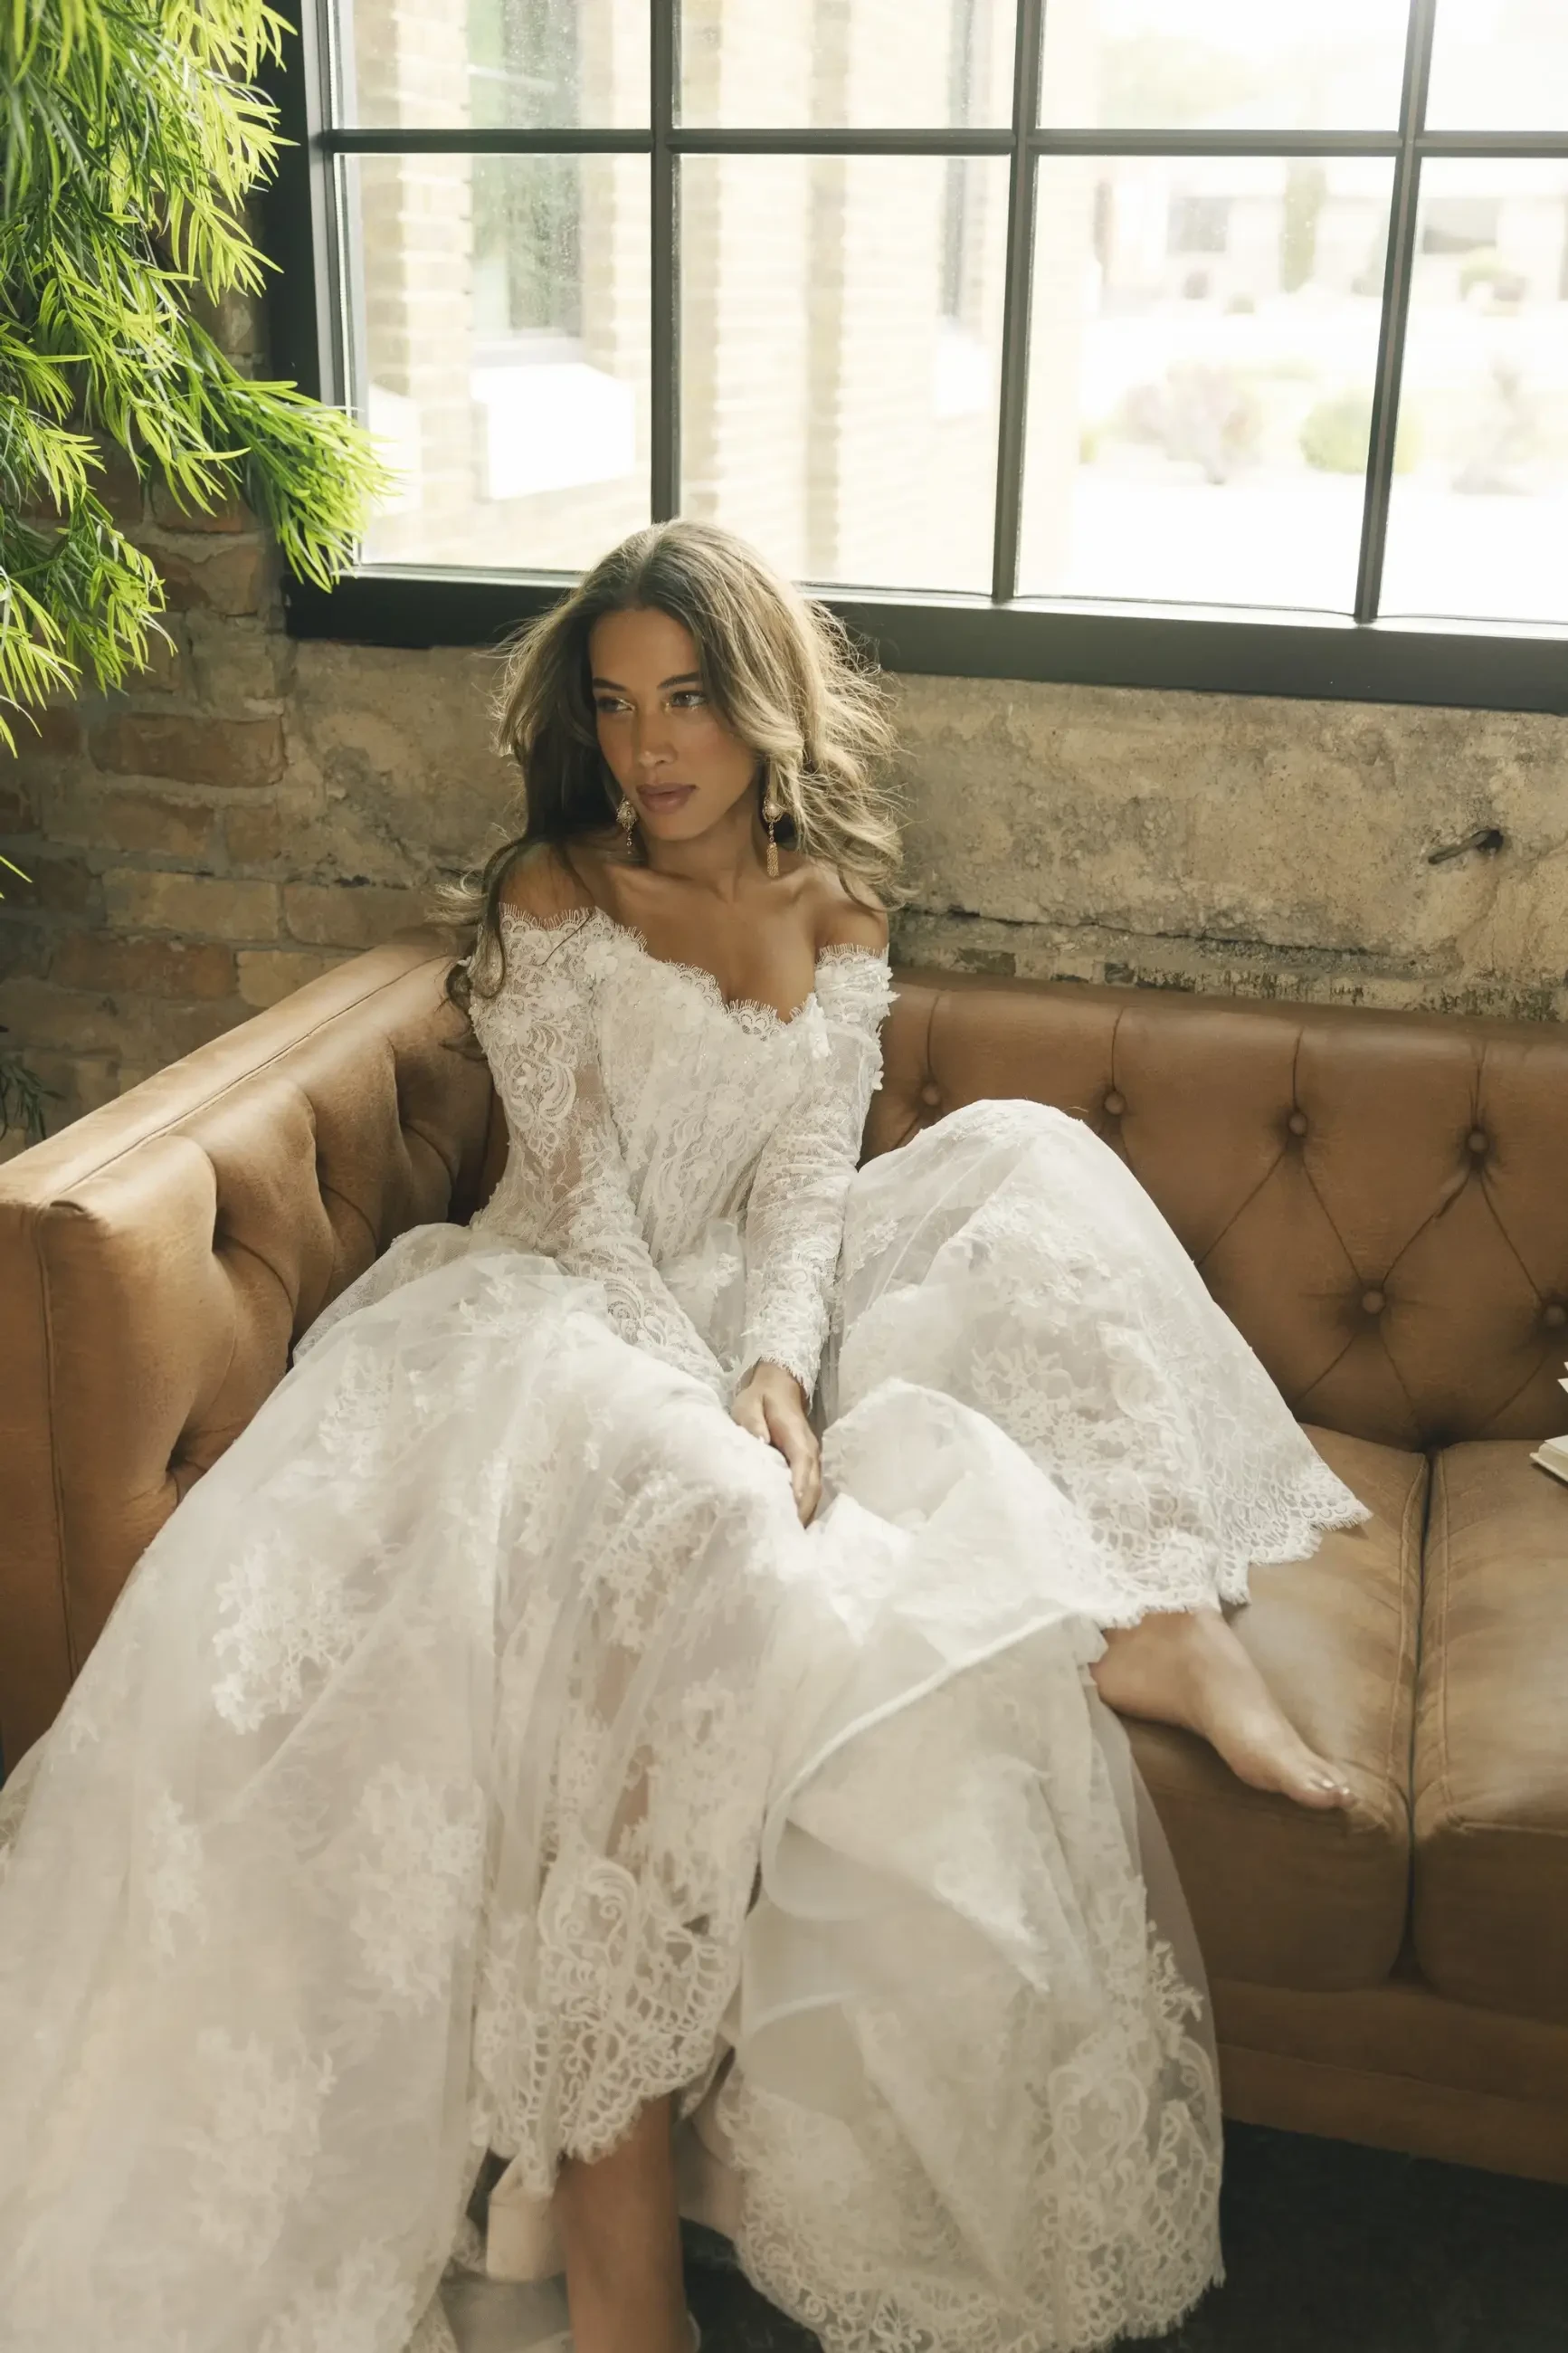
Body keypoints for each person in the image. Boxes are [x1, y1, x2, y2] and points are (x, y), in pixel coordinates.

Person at [0, 520, 1365, 2353]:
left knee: (1025, 1164)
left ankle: (1156, 1616)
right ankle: (612, 2235)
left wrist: (783, 1370)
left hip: (744, 1301)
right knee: (713, 1537)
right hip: (549, 1311)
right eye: (617, 705)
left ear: (761, 707)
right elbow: (572, 1200)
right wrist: (712, 1396)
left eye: (690, 701)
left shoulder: (841, 915)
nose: (651, 748)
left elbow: (807, 1194)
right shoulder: (557, 897)